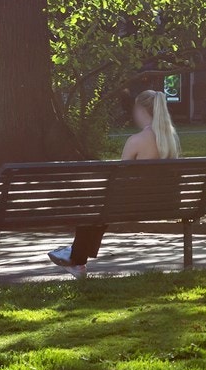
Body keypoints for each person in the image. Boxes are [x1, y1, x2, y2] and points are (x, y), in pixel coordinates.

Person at [48, 89, 180, 278]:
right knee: (99, 209)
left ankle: (76, 258)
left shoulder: (136, 140)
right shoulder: (171, 140)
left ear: (142, 111)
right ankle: (75, 257)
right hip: (164, 204)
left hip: (131, 206)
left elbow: (118, 178)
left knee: (95, 207)